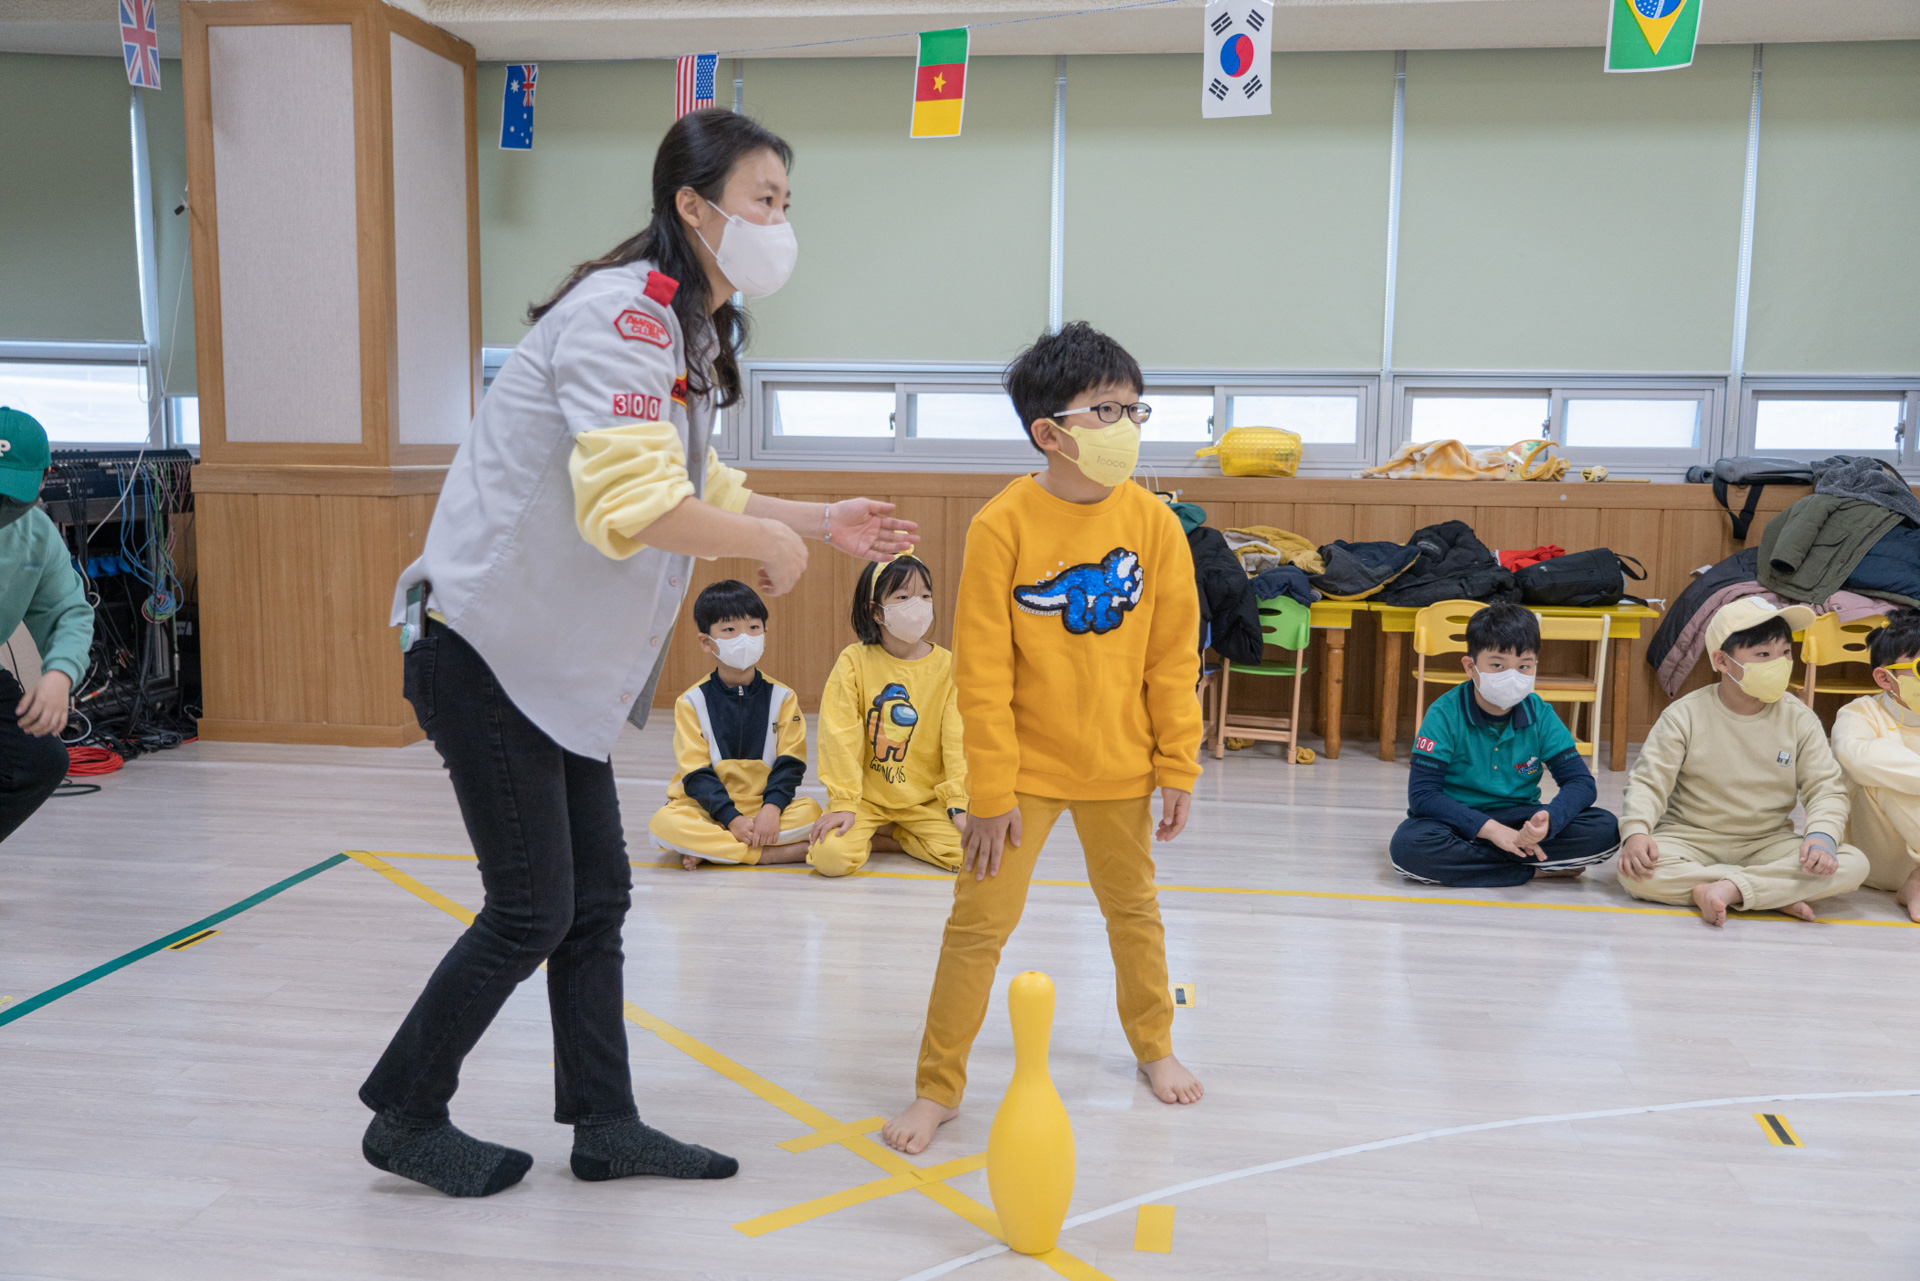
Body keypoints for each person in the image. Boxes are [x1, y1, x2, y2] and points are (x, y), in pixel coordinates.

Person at [361, 110, 915, 1198]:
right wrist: (762, 546)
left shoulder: (680, 327)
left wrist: (814, 521)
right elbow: (636, 505)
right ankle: (406, 1113)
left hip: (546, 669)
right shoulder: (621, 317)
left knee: (597, 902)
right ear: (693, 206)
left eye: (786, 203)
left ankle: (605, 1125)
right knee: (533, 907)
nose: (779, 223)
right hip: (484, 650)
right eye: (763, 200)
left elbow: (697, 483)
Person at [883, 322, 1204, 1157]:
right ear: (1050, 432)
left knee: (1135, 915)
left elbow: (1174, 660)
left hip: (1122, 769)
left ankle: (1154, 1045)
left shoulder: (1158, 526)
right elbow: (982, 676)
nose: (1128, 425)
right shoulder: (1002, 525)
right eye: (1108, 410)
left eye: (1135, 408)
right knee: (977, 926)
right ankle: (937, 1087)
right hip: (1021, 776)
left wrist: (1178, 764)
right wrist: (989, 794)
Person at [1617, 598, 1868, 926]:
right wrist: (1636, 832)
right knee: (1635, 874)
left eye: (1785, 652)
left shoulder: (1799, 718)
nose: (1779, 663)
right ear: (1722, 660)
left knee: (1854, 863)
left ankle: (1728, 890)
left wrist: (1822, 837)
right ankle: (1766, 892)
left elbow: (1825, 788)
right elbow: (1648, 783)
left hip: (1767, 842)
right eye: (1763, 654)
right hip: (1688, 837)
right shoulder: (1684, 715)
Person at [1388, 602, 1619, 887]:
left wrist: (1549, 820)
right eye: (1497, 665)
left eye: (1524, 666)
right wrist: (1491, 830)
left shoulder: (1540, 713)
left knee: (1606, 829)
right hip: (1456, 821)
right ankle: (1533, 869)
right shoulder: (1443, 713)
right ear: (1470, 666)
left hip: (1520, 817)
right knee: (1409, 848)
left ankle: (1484, 860)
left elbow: (1580, 782)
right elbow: (1423, 796)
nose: (1512, 675)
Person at [809, 550, 968, 877]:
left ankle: (895, 835)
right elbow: (838, 737)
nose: (918, 605)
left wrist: (958, 804)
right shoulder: (853, 661)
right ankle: (888, 832)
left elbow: (957, 741)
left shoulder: (948, 666)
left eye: (925, 595)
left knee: (973, 855)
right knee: (831, 858)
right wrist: (844, 803)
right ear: (875, 611)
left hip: (926, 802)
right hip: (866, 800)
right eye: (903, 596)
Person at [649, 579, 821, 870]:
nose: (745, 637)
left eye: (753, 627)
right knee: (664, 824)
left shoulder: (783, 697)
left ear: (765, 634)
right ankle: (767, 854)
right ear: (706, 642)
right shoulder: (691, 701)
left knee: (812, 812)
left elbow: (791, 763)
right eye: (729, 630)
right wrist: (732, 819)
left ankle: (712, 850)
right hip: (706, 808)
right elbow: (695, 773)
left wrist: (771, 809)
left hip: (761, 806)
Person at [0, 407, 89, 844]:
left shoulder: (37, 536)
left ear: (43, 480)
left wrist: (59, 675)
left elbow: (68, 611)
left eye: (10, 496)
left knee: (38, 760)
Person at [1831, 608, 1920, 921]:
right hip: (1878, 857)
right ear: (1885, 678)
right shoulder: (1860, 713)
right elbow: (1855, 756)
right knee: (1878, 775)